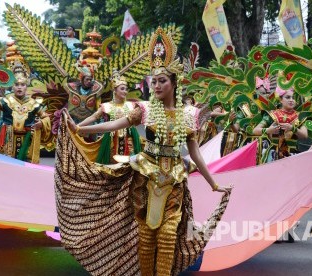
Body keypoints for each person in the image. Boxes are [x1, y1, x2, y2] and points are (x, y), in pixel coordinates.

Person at [55, 27, 231, 276]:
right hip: (145, 178)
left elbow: (195, 154)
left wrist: (214, 184)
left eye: (162, 81)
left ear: (174, 83)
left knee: (168, 234)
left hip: (174, 180)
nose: (156, 85)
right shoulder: (145, 109)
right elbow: (115, 124)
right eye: (154, 81)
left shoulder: (189, 115)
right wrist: (80, 130)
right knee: (147, 235)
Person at [0, 76, 51, 163]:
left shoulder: (34, 104)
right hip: (8, 138)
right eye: (16, 84)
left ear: (26, 87)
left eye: (22, 85)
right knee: (7, 163)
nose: (19, 87)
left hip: (27, 140)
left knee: (26, 164)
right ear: (13, 87)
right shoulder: (6, 101)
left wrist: (42, 123)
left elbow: (46, 117)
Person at [72, 71, 142, 164]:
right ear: (115, 90)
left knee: (130, 165)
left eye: (126, 89)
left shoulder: (132, 105)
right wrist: (76, 126)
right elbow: (93, 118)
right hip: (111, 141)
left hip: (129, 140)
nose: (125, 91)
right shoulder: (106, 106)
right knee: (112, 166)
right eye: (122, 89)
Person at [252, 86, 308, 164]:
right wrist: (268, 130)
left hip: (292, 155)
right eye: (288, 97)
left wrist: (292, 128)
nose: (291, 100)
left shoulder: (300, 116)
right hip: (272, 155)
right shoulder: (272, 114)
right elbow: (255, 130)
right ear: (281, 99)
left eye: (293, 98)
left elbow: (305, 135)